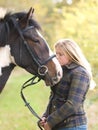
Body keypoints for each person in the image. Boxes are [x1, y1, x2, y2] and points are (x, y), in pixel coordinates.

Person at [39, 39, 95, 130]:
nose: (57, 57)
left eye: (61, 54)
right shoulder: (61, 71)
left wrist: (51, 121)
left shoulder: (80, 73)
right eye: (56, 53)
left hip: (73, 126)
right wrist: (46, 116)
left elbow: (73, 104)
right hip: (58, 125)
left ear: (71, 54)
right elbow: (54, 97)